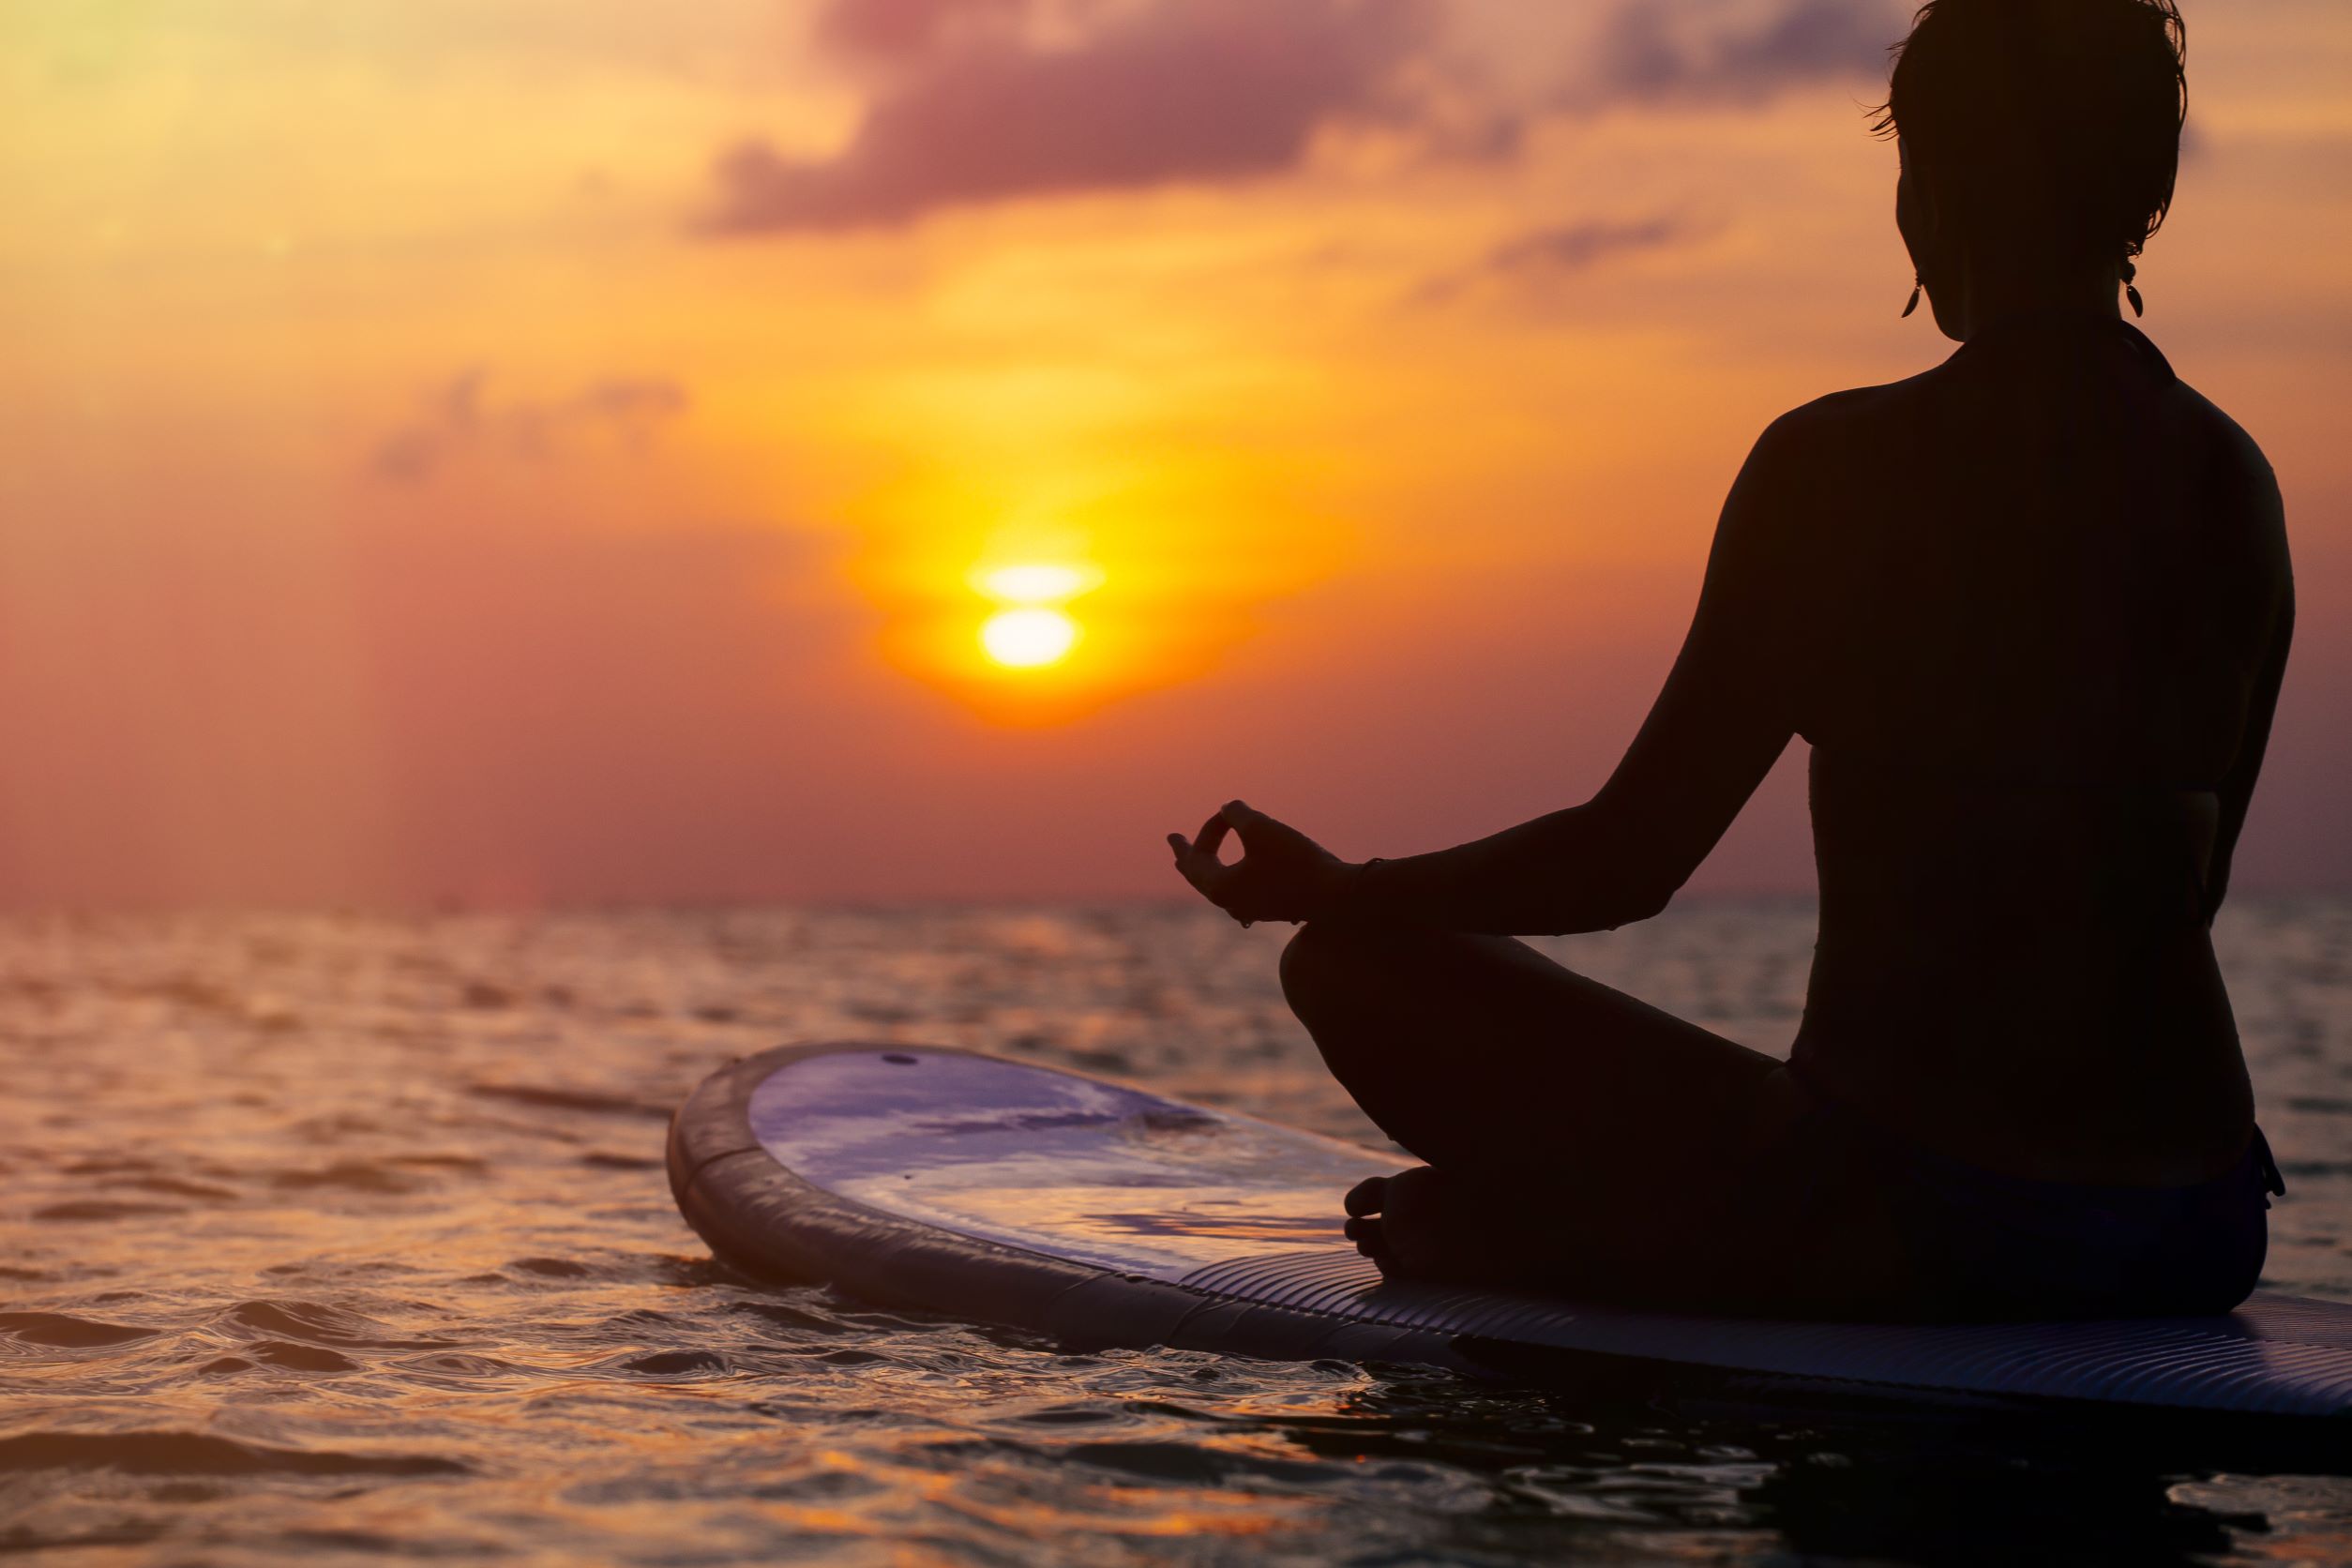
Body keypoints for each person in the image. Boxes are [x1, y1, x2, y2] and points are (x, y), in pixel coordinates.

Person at [1168, 0, 2293, 1321]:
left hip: (1913, 1215)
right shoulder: (2233, 482)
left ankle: (1576, 1246)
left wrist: (1339, 886)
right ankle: (1621, 1229)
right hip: (2198, 1223)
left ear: (1928, 192)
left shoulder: (1838, 472)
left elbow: (1629, 860)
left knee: (1352, 964)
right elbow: (2191, 886)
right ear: (2147, 192)